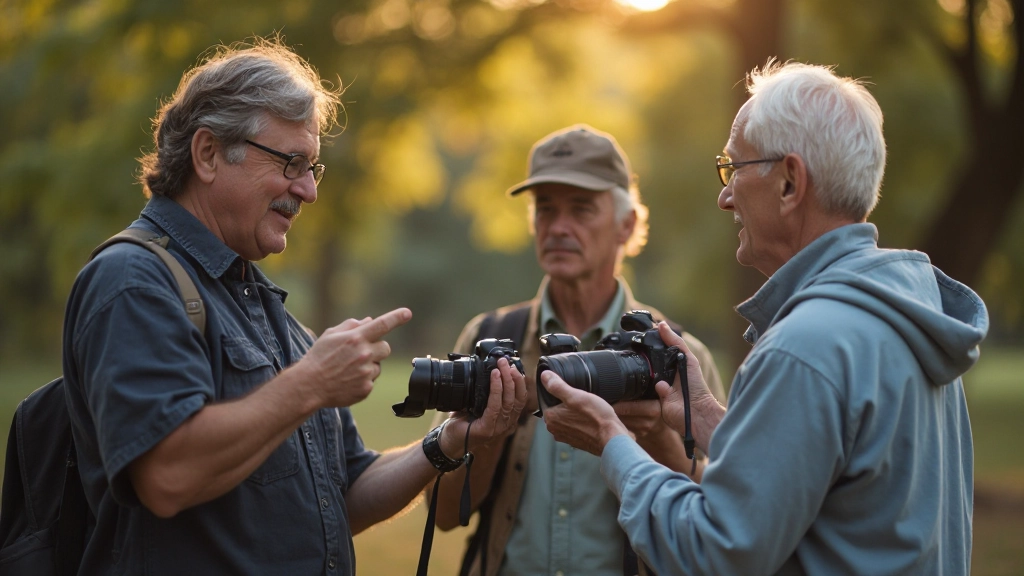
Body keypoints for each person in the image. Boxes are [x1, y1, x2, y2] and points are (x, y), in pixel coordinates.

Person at [61, 38, 526, 576]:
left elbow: (346, 495)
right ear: (208, 153)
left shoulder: (267, 310)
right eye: (291, 162)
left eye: (313, 168)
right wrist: (310, 384)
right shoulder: (133, 281)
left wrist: (446, 440)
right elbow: (167, 476)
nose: (308, 191)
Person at [539, 62, 988, 575]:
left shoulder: (805, 347)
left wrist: (610, 439)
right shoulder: (905, 315)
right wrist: (704, 416)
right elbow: (828, 481)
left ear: (790, 183)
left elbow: (714, 552)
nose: (724, 195)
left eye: (734, 169)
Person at [430, 124, 725, 576]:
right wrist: (488, 433)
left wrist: (654, 438)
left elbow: (721, 522)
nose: (558, 227)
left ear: (627, 224)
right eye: (544, 209)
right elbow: (445, 514)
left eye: (581, 209)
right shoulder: (486, 338)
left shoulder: (678, 354)